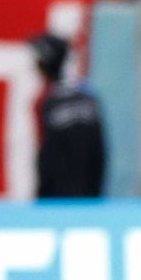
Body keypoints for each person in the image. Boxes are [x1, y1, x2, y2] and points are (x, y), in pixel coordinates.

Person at [30, 33, 106, 198]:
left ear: (42, 64)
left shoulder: (45, 101)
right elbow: (100, 152)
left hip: (57, 197)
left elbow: (45, 153)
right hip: (89, 193)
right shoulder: (88, 96)